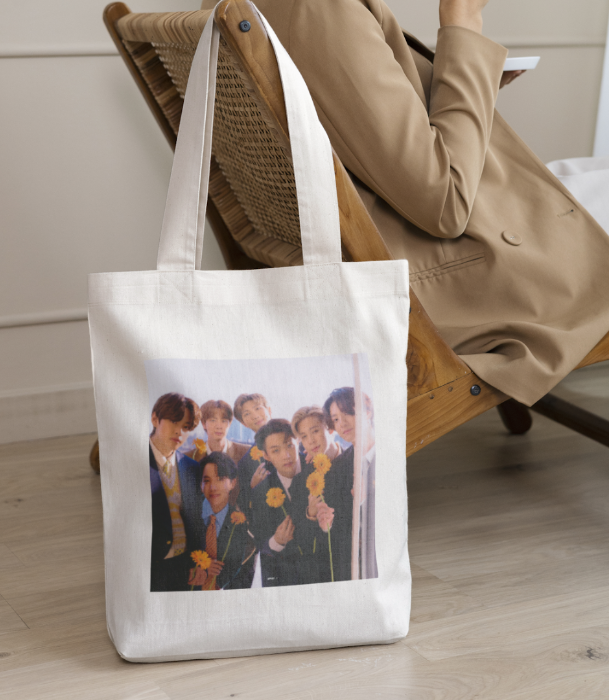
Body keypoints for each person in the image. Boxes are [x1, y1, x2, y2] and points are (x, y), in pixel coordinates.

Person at [200, 0, 609, 407]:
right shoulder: (321, 8)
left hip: (384, 245)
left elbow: (347, 128)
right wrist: (463, 19)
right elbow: (444, 202)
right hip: (447, 278)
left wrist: (462, 80)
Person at [302, 387, 377, 582]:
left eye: (347, 413)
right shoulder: (339, 467)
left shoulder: (391, 455)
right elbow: (338, 531)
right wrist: (326, 524)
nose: (342, 423)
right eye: (335, 419)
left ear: (367, 411)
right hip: (356, 571)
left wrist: (363, 503)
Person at [250, 419, 318, 586]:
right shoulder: (261, 492)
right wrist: (277, 541)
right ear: (266, 455)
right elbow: (260, 543)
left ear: (298, 442)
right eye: (275, 450)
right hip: (288, 579)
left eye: (289, 445)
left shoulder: (319, 469)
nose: (286, 455)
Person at [148, 392, 203, 592]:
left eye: (186, 427)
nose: (180, 432)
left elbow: (196, 519)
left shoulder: (191, 467)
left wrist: (198, 562)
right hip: (151, 568)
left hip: (185, 567)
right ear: (155, 418)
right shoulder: (132, 462)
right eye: (174, 421)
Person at [187, 452, 256, 590]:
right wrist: (199, 569)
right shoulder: (189, 514)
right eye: (207, 481)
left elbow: (234, 566)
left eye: (219, 479)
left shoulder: (239, 522)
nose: (213, 487)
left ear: (232, 483)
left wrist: (216, 584)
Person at [233, 393, 273, 512]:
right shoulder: (245, 463)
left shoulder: (296, 440)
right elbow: (243, 505)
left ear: (269, 410)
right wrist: (253, 486)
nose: (255, 416)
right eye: (247, 414)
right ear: (243, 423)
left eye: (257, 408)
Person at [185, 399, 251, 464]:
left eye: (224, 421)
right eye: (213, 420)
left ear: (229, 424)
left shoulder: (246, 453)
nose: (219, 426)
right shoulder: (189, 457)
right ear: (203, 424)